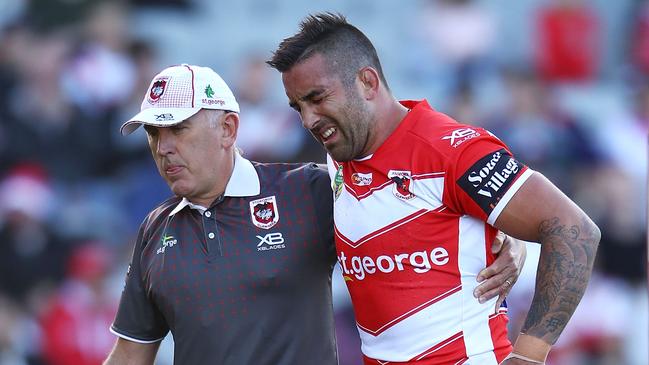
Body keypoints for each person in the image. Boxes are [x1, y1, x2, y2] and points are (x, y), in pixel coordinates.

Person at [103, 64, 525, 365]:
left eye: (178, 129)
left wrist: (507, 232)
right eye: (154, 133)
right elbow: (130, 353)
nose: (163, 147)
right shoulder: (155, 228)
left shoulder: (308, 190)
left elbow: (423, 205)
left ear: (228, 129)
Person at [267, 13, 600, 365]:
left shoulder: (452, 150)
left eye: (317, 98)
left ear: (367, 82)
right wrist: (500, 233)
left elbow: (575, 231)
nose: (308, 119)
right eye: (298, 106)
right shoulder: (340, 161)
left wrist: (529, 357)